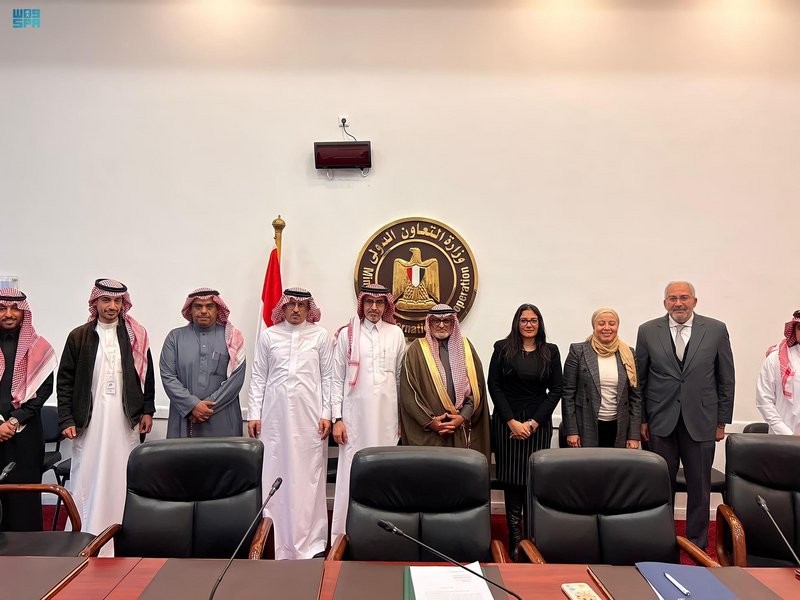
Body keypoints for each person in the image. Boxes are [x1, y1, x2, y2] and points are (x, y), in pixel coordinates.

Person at [57, 279, 154, 555]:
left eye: (117, 301)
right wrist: (66, 419)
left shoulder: (136, 335)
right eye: (106, 300)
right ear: (95, 302)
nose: (112, 306)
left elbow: (147, 376)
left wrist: (148, 410)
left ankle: (124, 536)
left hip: (125, 419)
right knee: (86, 474)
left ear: (123, 304)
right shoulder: (79, 336)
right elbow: (64, 381)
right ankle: (84, 536)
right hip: (89, 420)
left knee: (123, 473)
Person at [636, 281, 734, 549]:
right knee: (660, 485)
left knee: (700, 487)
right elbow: (640, 381)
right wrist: (642, 420)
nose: (678, 303)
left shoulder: (716, 329)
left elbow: (726, 378)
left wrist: (721, 421)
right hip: (660, 422)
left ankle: (696, 544)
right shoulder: (647, 331)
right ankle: (661, 540)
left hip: (702, 421)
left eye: (684, 297)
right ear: (664, 302)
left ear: (694, 301)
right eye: (672, 298)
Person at [247, 287, 332, 560]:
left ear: (309, 309)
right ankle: (274, 540)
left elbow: (328, 377)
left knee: (308, 478)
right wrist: (254, 413)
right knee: (274, 472)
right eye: (291, 304)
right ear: (282, 307)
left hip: (310, 420)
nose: (296, 310)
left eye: (302, 305)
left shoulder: (320, 336)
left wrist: (327, 413)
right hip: (274, 420)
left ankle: (310, 544)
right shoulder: (269, 336)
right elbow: (258, 376)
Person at [329, 284, 405, 540]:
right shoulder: (347, 334)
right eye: (369, 302)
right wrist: (337, 419)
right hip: (354, 420)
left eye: (379, 302)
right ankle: (344, 535)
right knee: (351, 472)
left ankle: (383, 537)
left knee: (385, 473)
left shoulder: (396, 333)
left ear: (386, 306)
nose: (374, 307)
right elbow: (336, 378)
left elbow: (399, 380)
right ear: (361, 304)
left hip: (387, 419)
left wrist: (401, 419)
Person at [488, 303, 562, 560]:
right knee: (511, 480)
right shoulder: (502, 348)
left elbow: (556, 389)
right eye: (524, 320)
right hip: (507, 423)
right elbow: (494, 386)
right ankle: (515, 539)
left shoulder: (550, 351)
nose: (529, 324)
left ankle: (532, 539)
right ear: (516, 323)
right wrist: (511, 421)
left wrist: (533, 423)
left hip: (537, 424)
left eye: (533, 320)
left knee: (533, 480)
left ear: (539, 324)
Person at [399, 304, 490, 462]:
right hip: (429, 432)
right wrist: (431, 422)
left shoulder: (466, 348)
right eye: (436, 321)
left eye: (446, 321)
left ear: (454, 323)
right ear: (429, 323)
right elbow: (409, 393)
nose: (441, 325)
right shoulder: (415, 350)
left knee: (460, 473)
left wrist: (462, 417)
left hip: (460, 428)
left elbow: (477, 388)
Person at [0, 289, 58, 531]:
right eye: (2, 308)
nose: (9, 314)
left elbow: (44, 391)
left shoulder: (39, 348)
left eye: (15, 308)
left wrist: (14, 421)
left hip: (26, 434)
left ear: (25, 313)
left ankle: (28, 548)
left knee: (24, 497)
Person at [160, 288, 246, 438]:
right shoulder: (175, 337)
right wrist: (192, 405)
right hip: (184, 416)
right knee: (182, 453)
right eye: (198, 306)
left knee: (224, 453)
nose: (204, 311)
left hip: (223, 418)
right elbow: (168, 376)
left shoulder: (233, 337)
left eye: (209, 306)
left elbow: (235, 381)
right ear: (190, 310)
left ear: (218, 309)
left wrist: (204, 408)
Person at [561, 307, 641, 449]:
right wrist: (572, 431)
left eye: (612, 323)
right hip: (585, 425)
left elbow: (636, 397)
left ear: (617, 326)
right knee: (588, 463)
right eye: (601, 323)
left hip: (619, 427)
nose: (607, 328)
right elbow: (568, 394)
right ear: (594, 326)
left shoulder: (628, 353)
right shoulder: (578, 351)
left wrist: (634, 435)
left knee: (615, 463)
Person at [756, 310, 800, 434]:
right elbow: (764, 401)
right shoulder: (775, 359)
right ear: (794, 330)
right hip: (783, 437)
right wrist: (787, 435)